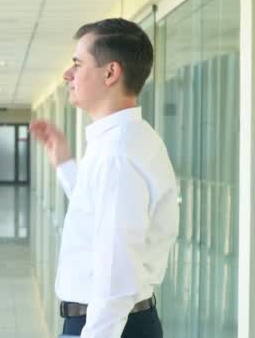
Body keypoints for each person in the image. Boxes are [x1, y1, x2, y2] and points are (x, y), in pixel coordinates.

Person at [30, 18, 179, 338]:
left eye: (77, 64)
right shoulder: (128, 141)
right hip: (118, 323)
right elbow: (100, 213)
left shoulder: (117, 153)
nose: (67, 75)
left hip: (108, 326)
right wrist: (65, 164)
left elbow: (117, 274)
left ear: (110, 73)